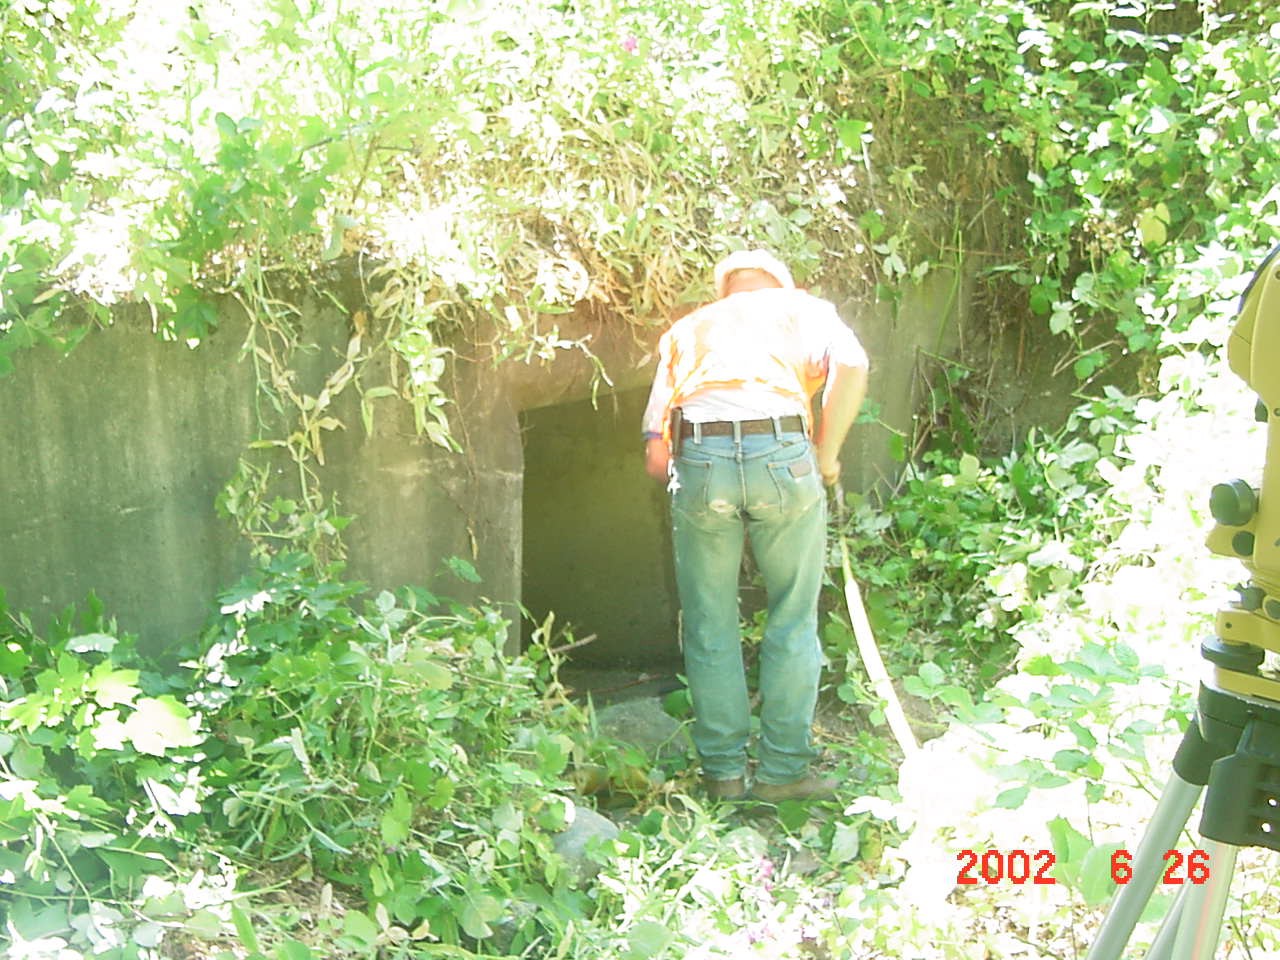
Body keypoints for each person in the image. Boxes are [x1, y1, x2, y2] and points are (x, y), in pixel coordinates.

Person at [641, 249, 869, 802]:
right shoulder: (800, 309)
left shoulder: (689, 329)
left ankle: (724, 777)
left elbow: (654, 451)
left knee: (708, 622)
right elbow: (853, 364)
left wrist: (702, 480)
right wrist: (826, 455)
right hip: (782, 454)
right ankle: (782, 774)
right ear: (780, 285)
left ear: (725, 293)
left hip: (700, 457)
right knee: (792, 616)